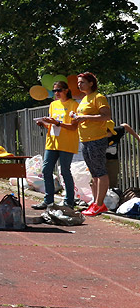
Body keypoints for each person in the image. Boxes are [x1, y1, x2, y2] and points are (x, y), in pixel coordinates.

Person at [32, 81, 79, 209]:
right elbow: (52, 123)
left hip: (67, 143)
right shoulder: (53, 104)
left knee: (65, 171)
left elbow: (74, 126)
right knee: (46, 170)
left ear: (66, 90)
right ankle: (48, 201)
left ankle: (69, 201)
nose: (56, 93)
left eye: (59, 90)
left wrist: (57, 123)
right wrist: (44, 123)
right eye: (54, 91)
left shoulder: (74, 105)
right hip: (52, 142)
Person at [74, 72, 113, 216]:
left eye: (82, 82)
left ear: (91, 83)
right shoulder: (84, 99)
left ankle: (99, 204)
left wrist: (85, 117)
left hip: (97, 139)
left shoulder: (98, 97)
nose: (79, 84)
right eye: (79, 82)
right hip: (85, 139)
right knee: (94, 172)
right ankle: (95, 203)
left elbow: (106, 116)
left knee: (100, 171)